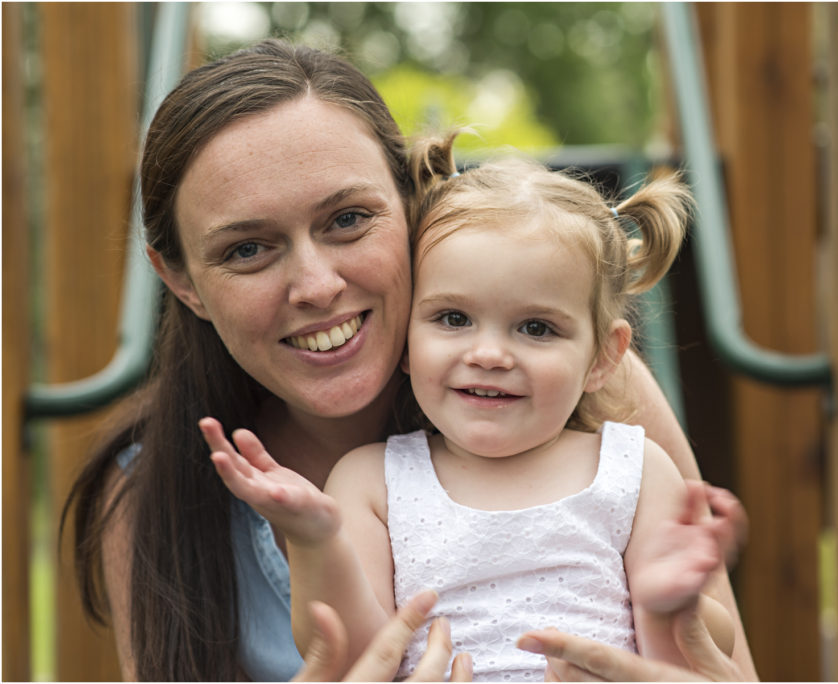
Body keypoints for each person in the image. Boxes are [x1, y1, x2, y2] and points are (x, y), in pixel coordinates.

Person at [61, 39, 757, 681]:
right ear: (181, 280)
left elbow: (714, 653)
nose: (317, 287)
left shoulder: (590, 396)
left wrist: (679, 622)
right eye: (247, 249)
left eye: (347, 219)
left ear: (411, 204)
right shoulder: (153, 492)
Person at [200, 135, 744, 681]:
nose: (488, 354)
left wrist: (671, 607)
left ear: (603, 356)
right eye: (454, 319)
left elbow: (685, 666)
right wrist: (314, 540)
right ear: (406, 340)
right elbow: (352, 657)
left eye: (536, 328)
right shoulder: (373, 483)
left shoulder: (634, 470)